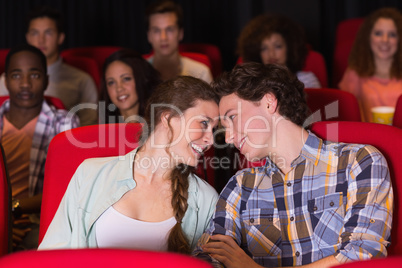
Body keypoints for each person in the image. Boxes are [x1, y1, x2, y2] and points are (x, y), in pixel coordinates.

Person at [193, 63, 393, 267]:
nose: (227, 138)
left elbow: (362, 255)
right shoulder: (241, 185)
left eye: (232, 118)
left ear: (269, 102)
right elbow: (210, 258)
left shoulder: (359, 162)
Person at [38, 76, 219, 253]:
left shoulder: (206, 200)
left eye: (213, 129)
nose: (210, 140)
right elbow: (51, 256)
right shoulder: (90, 174)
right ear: (168, 118)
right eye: (203, 123)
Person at [0, 44, 79, 250]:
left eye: (34, 75)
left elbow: (68, 189)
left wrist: (13, 211)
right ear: (6, 80)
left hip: (37, 221)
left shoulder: (65, 123)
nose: (25, 84)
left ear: (46, 81)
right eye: (16, 76)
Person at [0, 6, 98, 126]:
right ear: (28, 38)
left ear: (60, 37)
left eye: (48, 33)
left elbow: (89, 126)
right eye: (35, 33)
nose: (41, 40)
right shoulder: (8, 79)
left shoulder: (82, 80)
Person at [339, 7, 402, 122]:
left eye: (392, 34)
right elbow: (345, 115)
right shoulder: (354, 73)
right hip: (365, 137)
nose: (385, 40)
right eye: (378, 33)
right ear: (368, 38)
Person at [237, 13, 321, 88]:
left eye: (278, 46)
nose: (271, 53)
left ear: (290, 48)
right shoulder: (250, 83)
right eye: (264, 48)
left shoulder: (306, 80)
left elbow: (317, 105)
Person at [145, 0, 213, 83]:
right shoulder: (136, 72)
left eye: (169, 29)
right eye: (156, 30)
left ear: (180, 33)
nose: (163, 38)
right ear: (149, 36)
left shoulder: (201, 73)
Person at [99, 48, 161, 123]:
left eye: (126, 79)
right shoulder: (103, 128)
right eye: (111, 82)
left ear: (142, 78)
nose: (119, 88)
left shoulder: (161, 123)